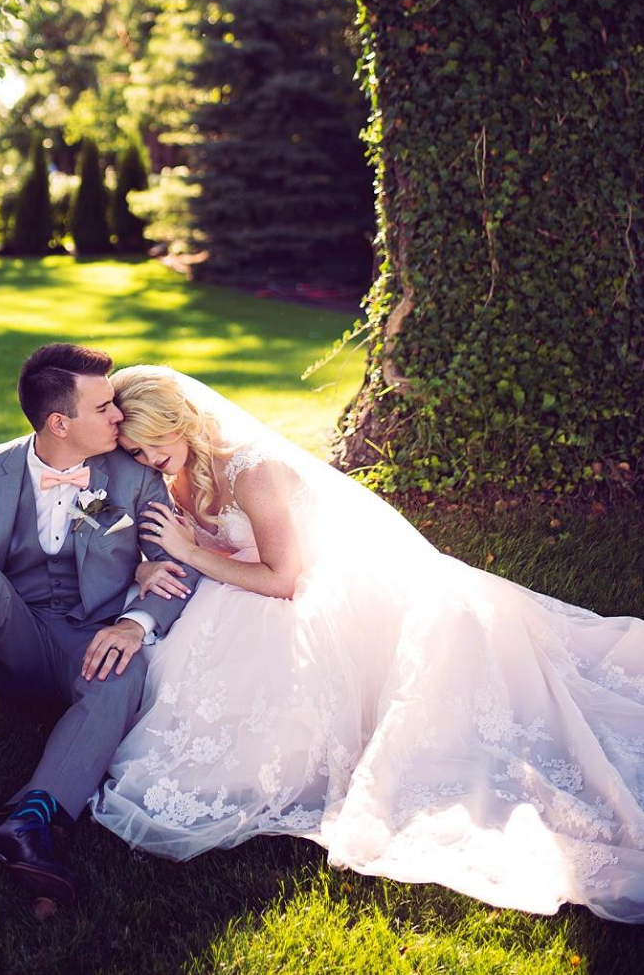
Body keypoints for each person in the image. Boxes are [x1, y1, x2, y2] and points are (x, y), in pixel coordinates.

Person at [90, 365, 644, 924]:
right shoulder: (163, 476)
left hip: (325, 592)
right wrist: (147, 567)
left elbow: (285, 579)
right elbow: (165, 544)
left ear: (179, 421)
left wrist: (191, 555)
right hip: (243, 587)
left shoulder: (251, 471)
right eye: (135, 451)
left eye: (154, 442)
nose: (147, 458)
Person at [0, 344, 199, 901]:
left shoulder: (133, 479)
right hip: (15, 641)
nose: (118, 416)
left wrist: (135, 624)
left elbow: (176, 567)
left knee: (127, 668)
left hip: (90, 646)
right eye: (104, 407)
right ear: (60, 422)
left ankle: (32, 819)